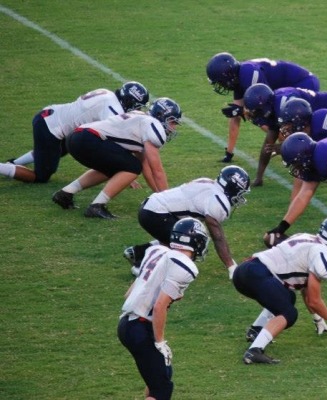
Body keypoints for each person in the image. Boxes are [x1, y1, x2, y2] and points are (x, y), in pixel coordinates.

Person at [233, 216, 327, 364]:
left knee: (287, 298)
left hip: (245, 270)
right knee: (289, 313)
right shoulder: (323, 253)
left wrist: (317, 319)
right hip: (259, 275)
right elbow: (314, 300)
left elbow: (306, 290)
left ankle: (256, 331)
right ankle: (254, 351)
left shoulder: (307, 237)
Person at [118, 217, 210, 399]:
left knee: (160, 378)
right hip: (140, 326)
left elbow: (129, 293)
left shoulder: (156, 251)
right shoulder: (184, 265)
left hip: (127, 324)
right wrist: (160, 342)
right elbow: (159, 306)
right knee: (161, 390)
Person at [51, 97, 181, 219]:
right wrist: (168, 202)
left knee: (121, 166)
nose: (173, 127)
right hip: (88, 139)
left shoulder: (142, 119)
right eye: (172, 121)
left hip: (77, 137)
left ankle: (65, 194)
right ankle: (96, 206)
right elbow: (157, 170)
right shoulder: (153, 125)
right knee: (132, 167)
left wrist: (159, 196)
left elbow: (147, 167)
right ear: (160, 115)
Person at [0, 82, 149, 183]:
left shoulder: (108, 94)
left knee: (57, 150)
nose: (138, 110)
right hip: (51, 128)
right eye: (138, 106)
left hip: (51, 115)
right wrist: (124, 169)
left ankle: (14, 163)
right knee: (40, 177)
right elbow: (114, 141)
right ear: (130, 101)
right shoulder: (112, 110)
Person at [123, 165, 251, 279]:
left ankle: (138, 252)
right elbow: (218, 238)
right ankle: (141, 266)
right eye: (240, 192)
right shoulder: (219, 202)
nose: (240, 197)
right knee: (193, 240)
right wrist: (231, 266)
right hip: (156, 213)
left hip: (151, 207)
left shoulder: (207, 182)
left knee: (186, 233)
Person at [206, 52, 320, 163]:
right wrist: (229, 152)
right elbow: (235, 117)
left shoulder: (249, 74)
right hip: (288, 89)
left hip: (304, 83)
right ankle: (300, 150)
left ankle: (310, 152)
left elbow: (261, 111)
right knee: (270, 121)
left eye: (220, 82)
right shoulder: (240, 77)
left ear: (228, 75)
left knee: (291, 124)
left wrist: (243, 112)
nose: (220, 85)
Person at [241, 84, 327, 187]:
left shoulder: (284, 105)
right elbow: (269, 144)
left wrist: (283, 147)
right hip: (312, 118)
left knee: (324, 147)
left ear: (264, 106)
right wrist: (259, 177)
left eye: (257, 111)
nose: (256, 116)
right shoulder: (274, 108)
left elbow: (299, 142)